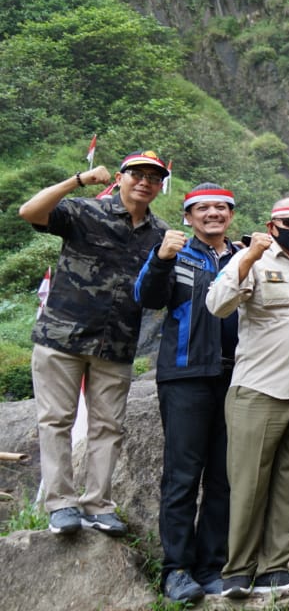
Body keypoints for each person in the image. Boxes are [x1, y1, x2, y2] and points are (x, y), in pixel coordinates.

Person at [19, 151, 170, 538]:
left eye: (153, 177)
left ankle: (98, 504)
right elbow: (30, 212)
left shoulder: (161, 234)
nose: (144, 182)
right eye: (136, 174)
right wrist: (78, 179)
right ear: (119, 177)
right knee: (56, 421)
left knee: (109, 427)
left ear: (160, 185)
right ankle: (60, 505)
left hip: (116, 345)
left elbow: (158, 293)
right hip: (62, 337)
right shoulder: (85, 212)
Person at [206, 198, 289, 597]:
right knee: (248, 486)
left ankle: (275, 567)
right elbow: (218, 304)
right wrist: (250, 255)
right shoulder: (252, 260)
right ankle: (238, 571)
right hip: (259, 389)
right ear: (271, 225)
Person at [134, 184, 240, 602]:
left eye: (220, 208)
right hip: (184, 376)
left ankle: (211, 567)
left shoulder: (242, 256)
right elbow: (146, 296)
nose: (212, 214)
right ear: (188, 216)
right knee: (182, 476)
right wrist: (161, 258)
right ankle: (176, 569)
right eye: (203, 208)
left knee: (223, 477)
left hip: (234, 376)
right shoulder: (174, 252)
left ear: (230, 214)